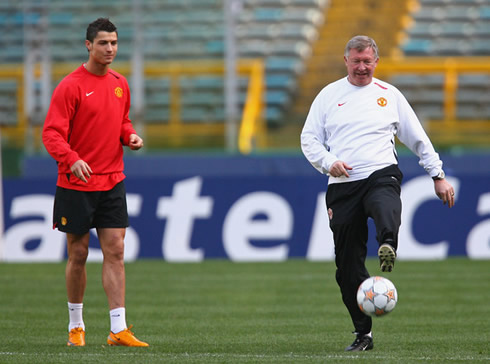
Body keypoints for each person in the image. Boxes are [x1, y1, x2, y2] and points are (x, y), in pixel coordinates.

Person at [300, 35, 455, 352]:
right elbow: (309, 139)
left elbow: (417, 138)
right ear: (346, 61)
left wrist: (437, 175)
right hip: (342, 185)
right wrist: (329, 162)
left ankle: (388, 242)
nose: (361, 67)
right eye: (355, 61)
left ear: (376, 62)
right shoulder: (329, 96)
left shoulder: (389, 95)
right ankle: (363, 334)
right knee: (346, 268)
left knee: (384, 202)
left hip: (380, 172)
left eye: (366, 61)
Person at [42, 18, 148, 347]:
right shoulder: (70, 86)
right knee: (78, 253)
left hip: (112, 179)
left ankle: (118, 328)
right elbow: (51, 133)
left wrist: (128, 135)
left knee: (115, 250)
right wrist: (72, 159)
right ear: (88, 45)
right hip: (76, 183)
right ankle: (76, 326)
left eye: (114, 43)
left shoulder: (120, 83)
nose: (110, 49)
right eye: (103, 43)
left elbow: (121, 119)